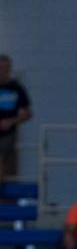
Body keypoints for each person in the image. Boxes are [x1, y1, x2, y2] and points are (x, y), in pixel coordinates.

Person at [0, 54, 32, 184]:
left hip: (8, 134)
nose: (2, 71)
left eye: (5, 68)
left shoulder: (16, 88)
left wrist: (11, 121)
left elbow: (28, 113)